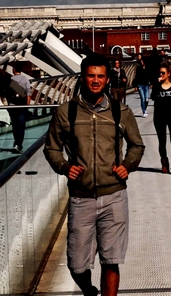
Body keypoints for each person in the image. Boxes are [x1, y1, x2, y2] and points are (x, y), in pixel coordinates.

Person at [45, 53, 145, 296]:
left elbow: (136, 146)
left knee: (111, 260)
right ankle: (89, 290)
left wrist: (128, 164)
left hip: (114, 196)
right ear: (82, 78)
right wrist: (65, 167)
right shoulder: (65, 112)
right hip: (81, 198)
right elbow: (52, 148)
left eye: (101, 76)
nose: (96, 80)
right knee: (77, 265)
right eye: (91, 76)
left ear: (108, 79)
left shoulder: (121, 112)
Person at [152, 61, 171, 174]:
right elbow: (153, 97)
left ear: (169, 73)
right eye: (160, 73)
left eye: (163, 73)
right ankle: (164, 164)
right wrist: (156, 84)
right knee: (162, 141)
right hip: (159, 117)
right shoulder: (158, 87)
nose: (161, 75)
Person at [8, 63, 33, 154]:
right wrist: (27, 106)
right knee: (21, 126)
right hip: (22, 106)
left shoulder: (10, 80)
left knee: (15, 125)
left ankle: (15, 143)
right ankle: (19, 144)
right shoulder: (26, 80)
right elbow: (29, 94)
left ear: (14, 69)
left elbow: (7, 95)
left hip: (12, 106)